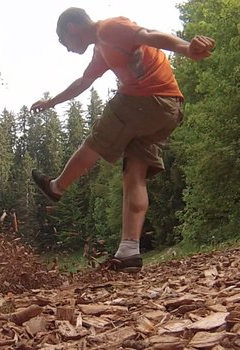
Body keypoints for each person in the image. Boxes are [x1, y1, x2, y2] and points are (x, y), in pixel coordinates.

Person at [30, 7, 215, 272]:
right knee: (134, 172)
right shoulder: (101, 49)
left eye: (64, 42)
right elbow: (83, 82)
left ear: (72, 28)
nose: (67, 49)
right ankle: (129, 251)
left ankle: (57, 187)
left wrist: (187, 49)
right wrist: (50, 102)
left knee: (99, 136)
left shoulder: (109, 29)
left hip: (148, 99)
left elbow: (149, 35)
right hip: (168, 110)